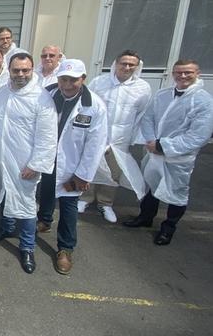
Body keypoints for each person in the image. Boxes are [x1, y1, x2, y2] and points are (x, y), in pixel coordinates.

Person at [124, 59, 213, 245]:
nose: (182, 76)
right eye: (179, 72)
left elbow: (199, 135)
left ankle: (168, 228)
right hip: (154, 151)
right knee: (150, 186)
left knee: (177, 193)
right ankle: (145, 217)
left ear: (197, 74)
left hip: (178, 158)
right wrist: (151, 141)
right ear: (173, 74)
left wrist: (164, 146)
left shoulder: (203, 101)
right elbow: (148, 118)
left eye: (188, 72)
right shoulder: (163, 95)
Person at [0, 52, 57, 274]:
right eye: (16, 70)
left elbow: (47, 137)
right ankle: (6, 228)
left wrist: (36, 165)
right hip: (1, 159)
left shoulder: (41, 98)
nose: (20, 74)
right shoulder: (1, 94)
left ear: (32, 70)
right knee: (4, 194)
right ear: (10, 69)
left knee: (26, 205)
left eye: (25, 70)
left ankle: (27, 247)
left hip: (25, 163)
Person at [36, 60, 108, 274]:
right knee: (45, 193)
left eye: (73, 80)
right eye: (63, 79)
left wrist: (83, 175)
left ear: (83, 79)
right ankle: (45, 220)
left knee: (68, 207)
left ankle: (65, 248)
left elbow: (96, 145)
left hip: (72, 165)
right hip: (47, 159)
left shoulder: (94, 105)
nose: (67, 85)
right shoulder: (46, 94)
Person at [82, 50, 152, 222]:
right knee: (90, 166)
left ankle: (105, 203)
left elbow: (142, 115)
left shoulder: (142, 88)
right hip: (97, 134)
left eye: (131, 64)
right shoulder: (100, 82)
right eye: (124, 63)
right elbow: (87, 106)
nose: (127, 67)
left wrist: (133, 137)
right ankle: (84, 198)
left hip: (120, 138)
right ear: (116, 63)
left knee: (114, 172)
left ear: (137, 67)